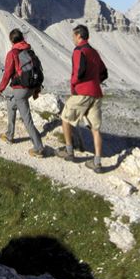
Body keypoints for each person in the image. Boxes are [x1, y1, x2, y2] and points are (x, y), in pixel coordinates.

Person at [57, 24, 106, 172]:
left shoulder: (79, 51)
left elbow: (78, 72)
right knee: (95, 128)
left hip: (82, 92)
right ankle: (97, 162)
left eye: (74, 36)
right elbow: (104, 73)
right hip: (96, 93)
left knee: (65, 118)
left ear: (79, 36)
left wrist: (74, 86)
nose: (73, 38)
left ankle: (69, 150)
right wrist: (94, 82)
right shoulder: (94, 52)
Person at [0, 28, 47, 158]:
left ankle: (38, 148)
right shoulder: (28, 50)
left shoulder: (13, 53)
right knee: (10, 104)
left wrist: (1, 87)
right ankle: (9, 135)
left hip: (21, 89)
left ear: (11, 40)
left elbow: (8, 73)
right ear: (22, 38)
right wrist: (36, 90)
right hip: (31, 88)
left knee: (27, 119)